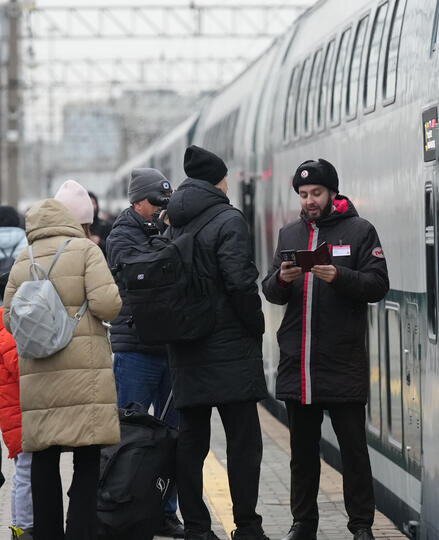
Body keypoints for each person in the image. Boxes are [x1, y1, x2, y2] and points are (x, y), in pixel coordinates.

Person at [262, 159, 389, 540]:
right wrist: (281, 281)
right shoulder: (289, 235)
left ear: (332, 192)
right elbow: (269, 291)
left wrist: (340, 276)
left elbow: (378, 284)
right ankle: (304, 523)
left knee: (353, 450)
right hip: (299, 364)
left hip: (343, 361)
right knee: (302, 454)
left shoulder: (361, 231)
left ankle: (361, 525)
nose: (309, 201)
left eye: (315, 193)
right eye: (303, 195)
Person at [3, 181, 122, 540]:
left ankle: (48, 534)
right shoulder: (87, 251)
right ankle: (80, 532)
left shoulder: (25, 256)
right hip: (83, 373)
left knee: (43, 457)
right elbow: (108, 306)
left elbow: (9, 316)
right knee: (87, 458)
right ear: (84, 220)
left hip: (38, 372)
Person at [164, 145, 268, 540]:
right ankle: (247, 527)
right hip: (229, 349)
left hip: (187, 348)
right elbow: (240, 281)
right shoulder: (228, 219)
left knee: (191, 441)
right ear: (219, 180)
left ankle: (196, 527)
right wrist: (255, 323)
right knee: (244, 442)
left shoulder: (174, 222)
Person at [105, 167, 187, 537]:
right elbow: (146, 271)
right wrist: (171, 236)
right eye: (155, 202)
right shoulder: (121, 235)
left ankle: (165, 509)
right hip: (135, 350)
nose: (161, 209)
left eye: (166, 202)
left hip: (166, 347)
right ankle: (124, 501)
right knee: (130, 433)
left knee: (172, 434)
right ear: (137, 201)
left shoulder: (161, 229)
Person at [0, 273, 33, 540]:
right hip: (20, 416)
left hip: (18, 414)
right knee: (25, 472)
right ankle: (21, 527)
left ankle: (20, 525)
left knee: (25, 470)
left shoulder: (7, 327)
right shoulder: (9, 331)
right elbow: (23, 368)